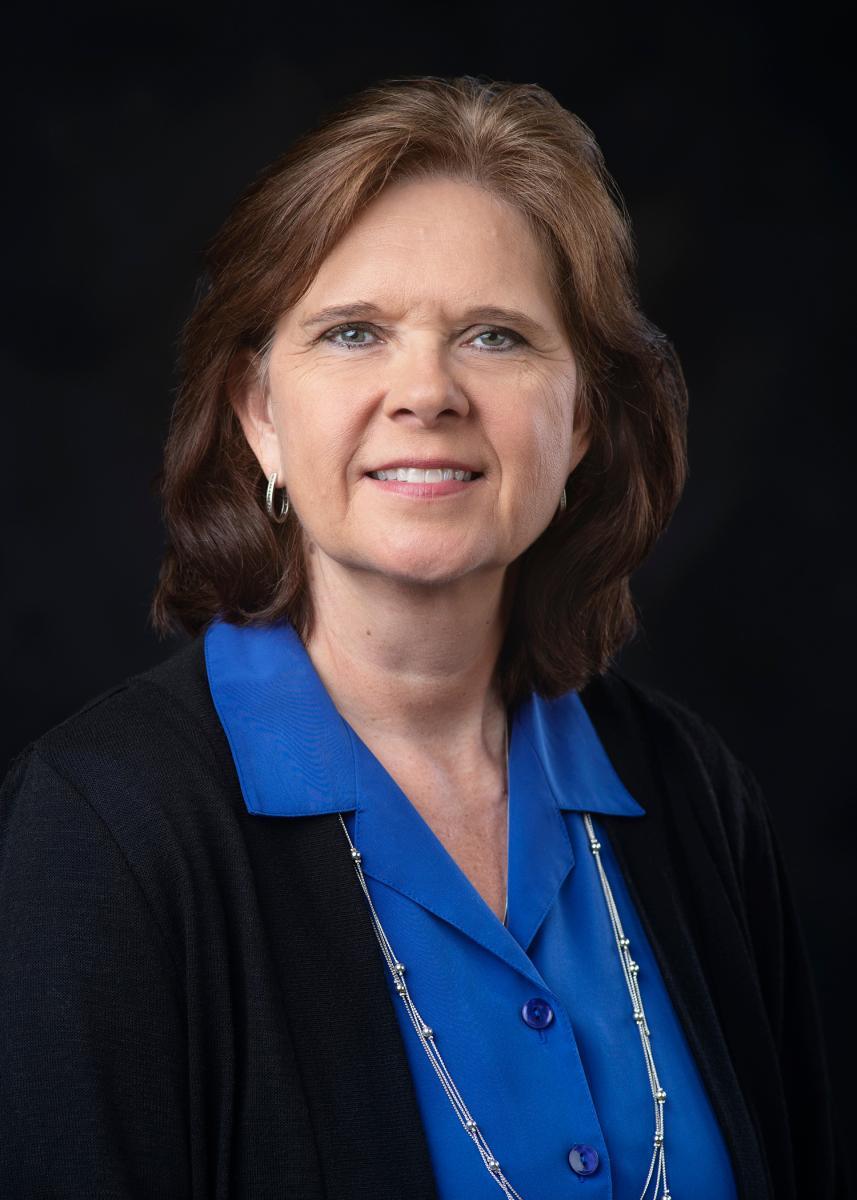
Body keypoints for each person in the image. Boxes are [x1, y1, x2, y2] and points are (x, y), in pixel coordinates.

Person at [0, 74, 845, 1200]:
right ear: (260, 415)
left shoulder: (691, 796)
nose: (425, 392)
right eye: (352, 333)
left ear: (581, 420)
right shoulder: (103, 831)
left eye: (494, 337)